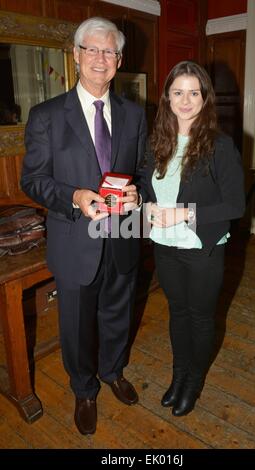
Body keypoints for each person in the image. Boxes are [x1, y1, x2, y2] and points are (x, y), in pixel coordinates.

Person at [21, 17, 147, 435]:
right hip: (75, 238)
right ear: (75, 56)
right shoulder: (47, 116)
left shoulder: (134, 115)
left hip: (123, 236)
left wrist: (139, 195)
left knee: (117, 313)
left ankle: (112, 372)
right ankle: (84, 389)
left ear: (119, 60)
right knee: (76, 324)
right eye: (90, 49)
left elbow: (143, 171)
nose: (99, 58)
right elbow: (33, 180)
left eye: (108, 51)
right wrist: (73, 196)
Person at [142, 61, 245, 417]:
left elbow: (236, 204)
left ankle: (194, 382)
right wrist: (149, 207)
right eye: (178, 92)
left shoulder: (221, 145)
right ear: (167, 97)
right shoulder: (157, 142)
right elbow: (147, 188)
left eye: (193, 93)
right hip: (165, 246)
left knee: (200, 318)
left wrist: (184, 213)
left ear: (204, 98)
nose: (185, 100)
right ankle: (179, 375)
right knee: (177, 312)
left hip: (203, 249)